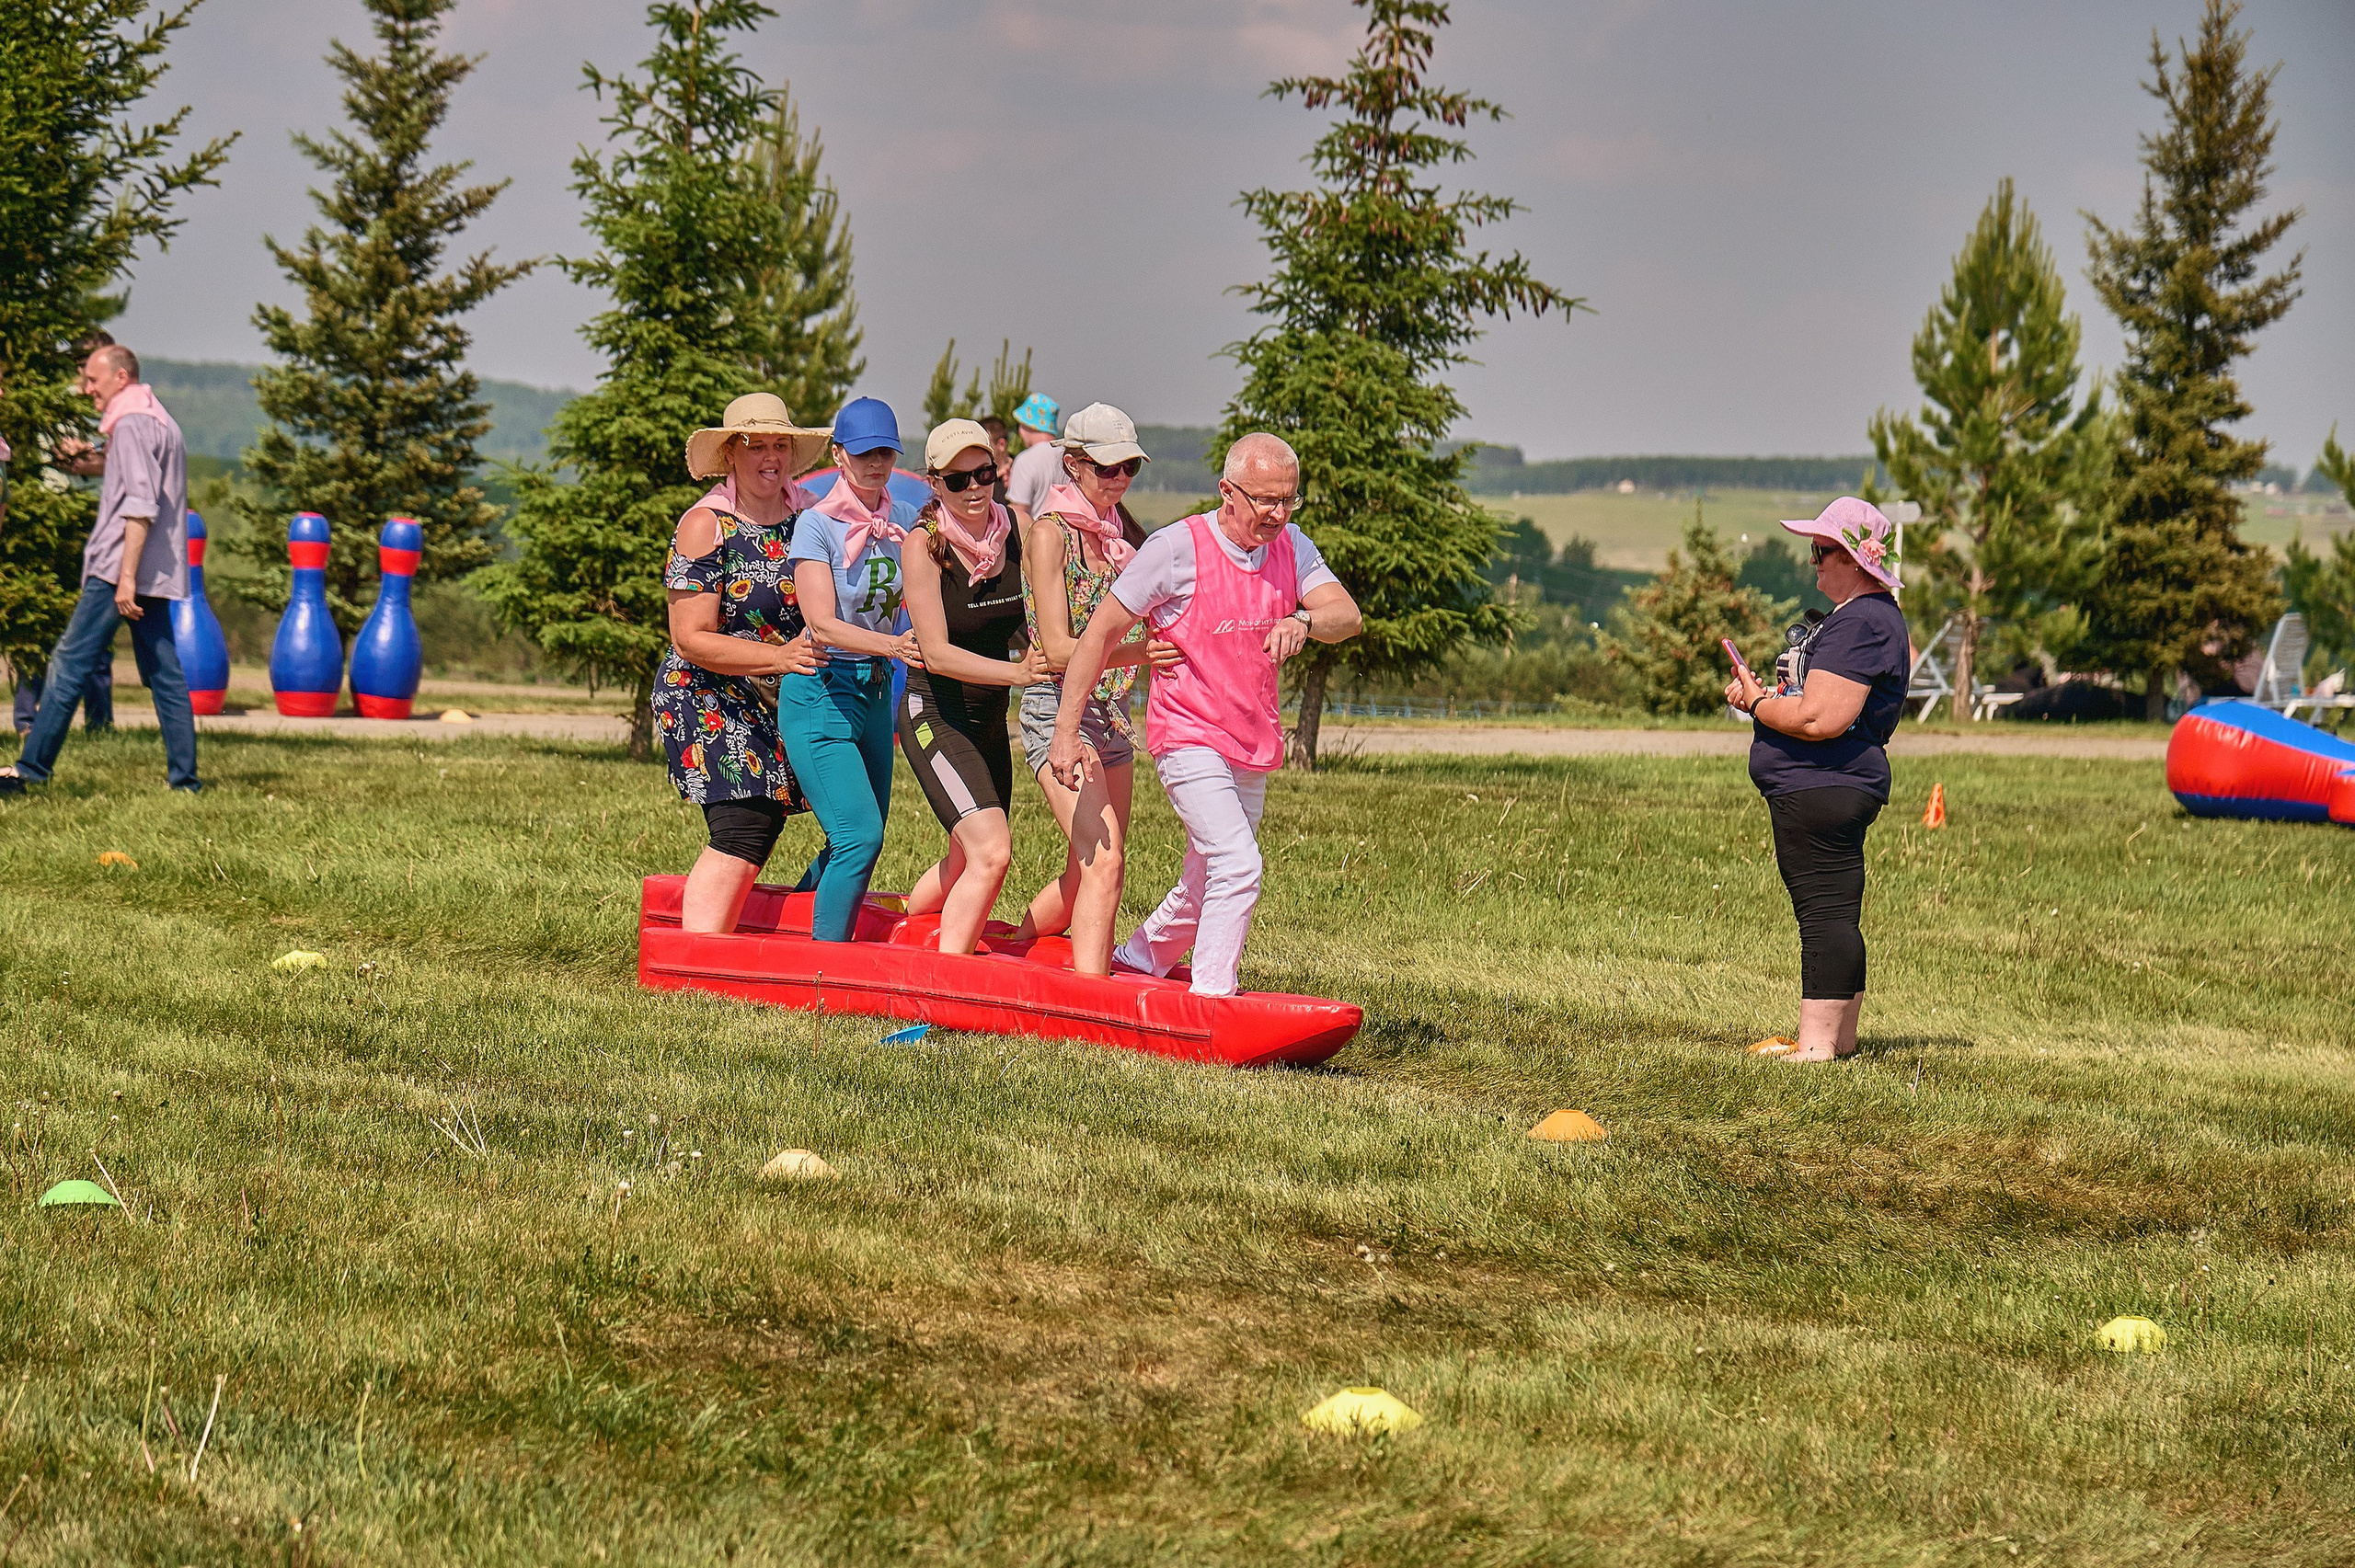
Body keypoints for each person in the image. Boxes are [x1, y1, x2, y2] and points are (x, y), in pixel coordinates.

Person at [1049, 432, 1361, 997]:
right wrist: (1065, 733)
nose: (1278, 512)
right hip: (1187, 734)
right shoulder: (1175, 549)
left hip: (1251, 737)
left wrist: (1305, 622)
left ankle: (1141, 959)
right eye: (1265, 499)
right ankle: (1213, 997)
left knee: (1205, 876)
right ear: (1227, 492)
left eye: (1289, 499)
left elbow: (1347, 616)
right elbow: (1097, 637)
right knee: (1237, 865)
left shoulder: (1293, 545)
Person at [1723, 497, 1912, 1064]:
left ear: (1857, 560)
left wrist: (1759, 703)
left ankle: (1818, 1047)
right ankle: (1839, 1040)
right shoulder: (1863, 618)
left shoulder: (1863, 621)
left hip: (1823, 783)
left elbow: (1818, 718)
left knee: (1823, 913)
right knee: (1836, 911)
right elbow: (1818, 704)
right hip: (1828, 782)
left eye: (1823, 551)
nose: (1813, 562)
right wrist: (1770, 698)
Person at [1013, 403, 1178, 976]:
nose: (1120, 480)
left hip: (1110, 714)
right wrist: (1137, 653)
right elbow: (1058, 648)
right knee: (1105, 860)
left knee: (1084, 867)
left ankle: (1013, 946)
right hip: (1056, 709)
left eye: (1129, 468)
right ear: (1074, 465)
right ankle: (1092, 997)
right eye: (1108, 469)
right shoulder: (1048, 533)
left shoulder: (1123, 533)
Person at [656, 394, 832, 933]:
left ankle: (789, 931)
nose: (770, 456)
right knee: (744, 823)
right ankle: (696, 963)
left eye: (781, 444)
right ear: (732, 452)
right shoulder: (705, 525)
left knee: (850, 819)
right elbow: (690, 638)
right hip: (705, 691)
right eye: (756, 444)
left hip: (779, 692)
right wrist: (779, 656)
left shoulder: (807, 519)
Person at [2, 344, 196, 796]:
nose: (85, 387)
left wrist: (125, 577)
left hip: (118, 569)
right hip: (158, 566)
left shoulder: (129, 425)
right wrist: (87, 457)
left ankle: (32, 771)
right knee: (164, 671)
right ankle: (185, 781)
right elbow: (135, 473)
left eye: (92, 379)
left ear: (121, 377)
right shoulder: (155, 417)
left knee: (69, 662)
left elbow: (140, 504)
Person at [896, 419, 1051, 954]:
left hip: (988, 717)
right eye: (958, 480)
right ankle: (943, 987)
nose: (974, 489)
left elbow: (1045, 614)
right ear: (934, 484)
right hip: (934, 709)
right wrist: (1017, 672)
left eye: (983, 474)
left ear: (997, 472)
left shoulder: (1017, 535)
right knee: (991, 853)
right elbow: (936, 654)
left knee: (965, 854)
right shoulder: (924, 545)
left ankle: (900, 925)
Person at [784, 395, 922, 942]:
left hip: (873, 692)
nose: (877, 464)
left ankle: (790, 928)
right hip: (821, 691)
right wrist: (893, 647)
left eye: (886, 452)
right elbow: (820, 624)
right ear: (838, 455)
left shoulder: (908, 520)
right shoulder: (815, 527)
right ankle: (823, 972)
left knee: (858, 835)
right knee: (858, 836)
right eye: (865, 452)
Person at [1002, 391, 1063, 532]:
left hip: (1037, 539)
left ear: (1028, 425)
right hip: (1069, 542)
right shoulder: (1067, 455)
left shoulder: (1026, 459)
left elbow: (1018, 512)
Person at [977, 414, 1013, 506]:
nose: (977, 452)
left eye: (985, 446)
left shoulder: (1020, 473)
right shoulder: (973, 479)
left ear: (1001, 445)